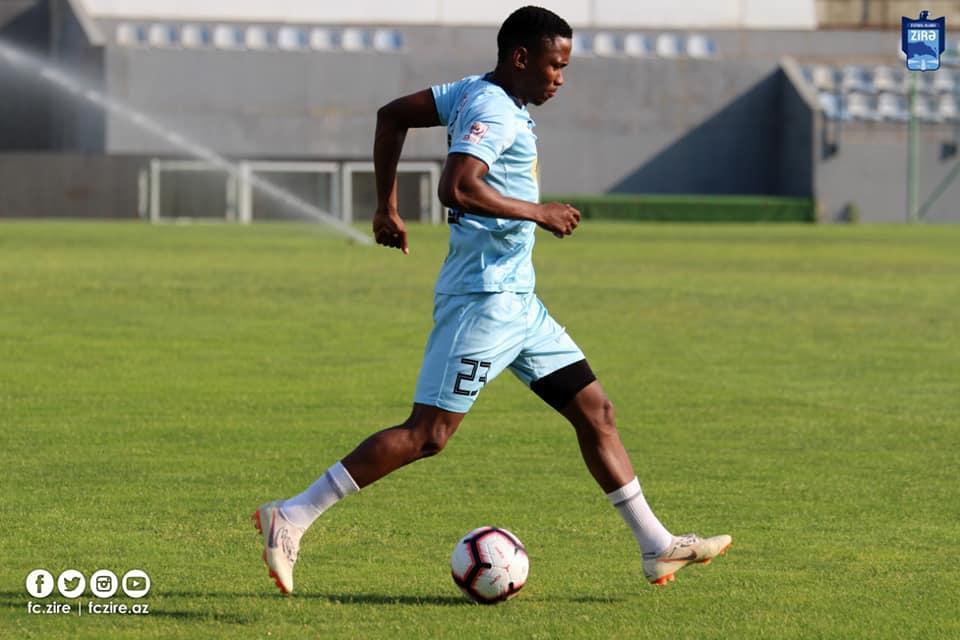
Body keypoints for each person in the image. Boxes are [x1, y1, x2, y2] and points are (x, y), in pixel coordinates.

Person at [253, 5, 730, 594]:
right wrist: (539, 212)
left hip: (519, 301)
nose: (560, 78)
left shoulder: (470, 92)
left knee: (596, 412)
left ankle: (655, 545)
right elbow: (456, 185)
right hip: (482, 300)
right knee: (428, 434)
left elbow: (392, 115)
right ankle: (292, 515)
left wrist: (386, 207)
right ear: (521, 58)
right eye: (555, 66)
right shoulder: (493, 110)